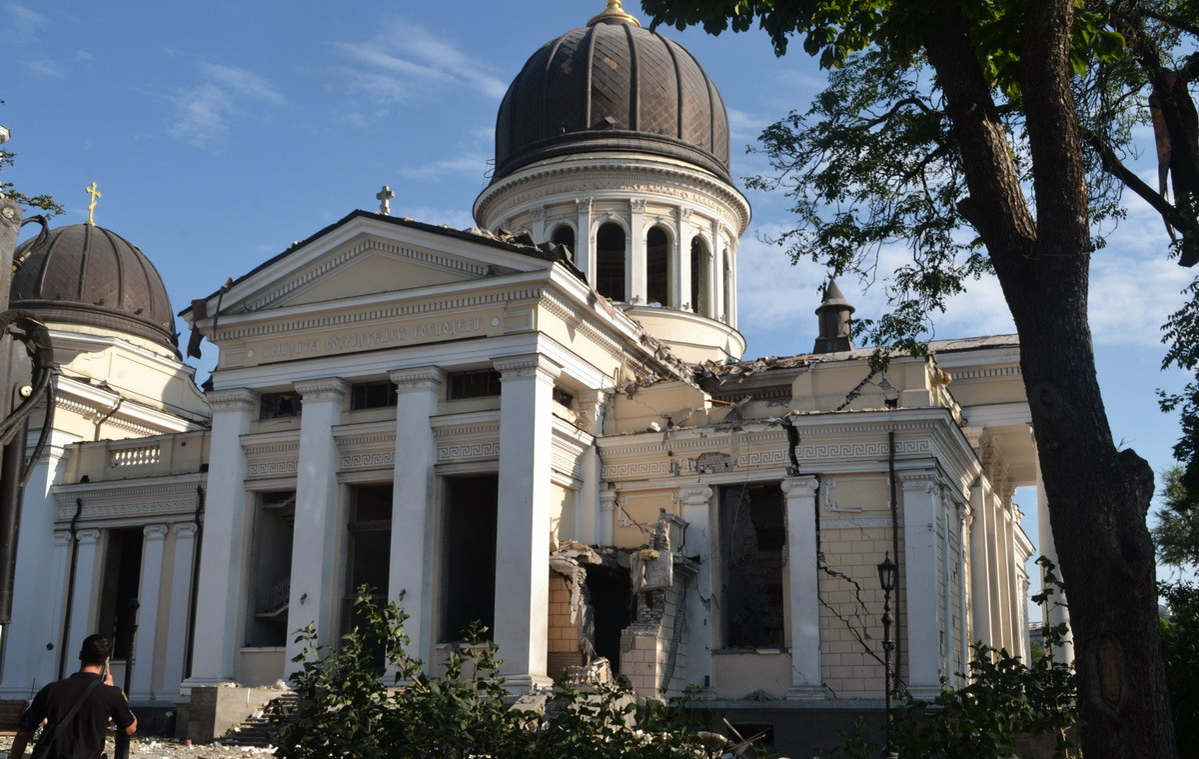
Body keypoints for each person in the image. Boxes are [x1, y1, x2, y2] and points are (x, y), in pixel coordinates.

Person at [9, 634, 137, 759]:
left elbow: (22, 733)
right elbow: (130, 728)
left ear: (80, 655)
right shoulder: (111, 694)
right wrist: (115, 693)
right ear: (106, 660)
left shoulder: (51, 689)